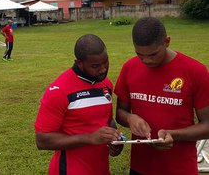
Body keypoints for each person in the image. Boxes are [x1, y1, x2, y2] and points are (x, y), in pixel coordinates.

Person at [114, 17, 209, 175]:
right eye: (139, 54)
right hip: (140, 167)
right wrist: (130, 119)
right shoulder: (129, 68)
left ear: (167, 41)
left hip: (179, 168)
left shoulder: (195, 71)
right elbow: (120, 113)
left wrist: (174, 135)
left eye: (153, 54)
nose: (146, 60)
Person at [35, 34, 123, 175]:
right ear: (79, 63)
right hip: (70, 170)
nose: (103, 69)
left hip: (101, 169)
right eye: (95, 66)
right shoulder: (59, 90)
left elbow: (107, 121)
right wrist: (89, 137)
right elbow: (42, 140)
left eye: (105, 62)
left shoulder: (106, 84)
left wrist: (115, 140)